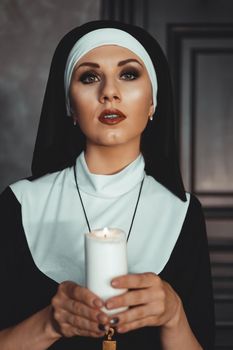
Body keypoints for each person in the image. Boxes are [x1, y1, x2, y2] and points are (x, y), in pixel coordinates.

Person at [0, 20, 215, 350]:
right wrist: (49, 324)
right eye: (89, 77)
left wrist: (174, 315)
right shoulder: (20, 203)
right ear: (70, 106)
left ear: (154, 101)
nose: (109, 92)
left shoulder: (182, 211)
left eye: (128, 74)